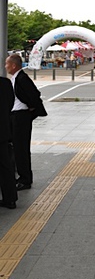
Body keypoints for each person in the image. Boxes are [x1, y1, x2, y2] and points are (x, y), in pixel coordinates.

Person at [5, 53, 47, 191]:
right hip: (15, 116)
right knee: (16, 148)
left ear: (14, 65)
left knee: (21, 149)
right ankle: (21, 176)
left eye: (7, 64)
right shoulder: (15, 78)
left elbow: (34, 95)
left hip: (21, 117)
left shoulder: (22, 78)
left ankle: (25, 179)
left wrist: (30, 111)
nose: (5, 67)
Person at [0, 77, 18, 208]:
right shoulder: (5, 83)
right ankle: (10, 198)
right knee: (5, 166)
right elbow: (11, 103)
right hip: (3, 131)